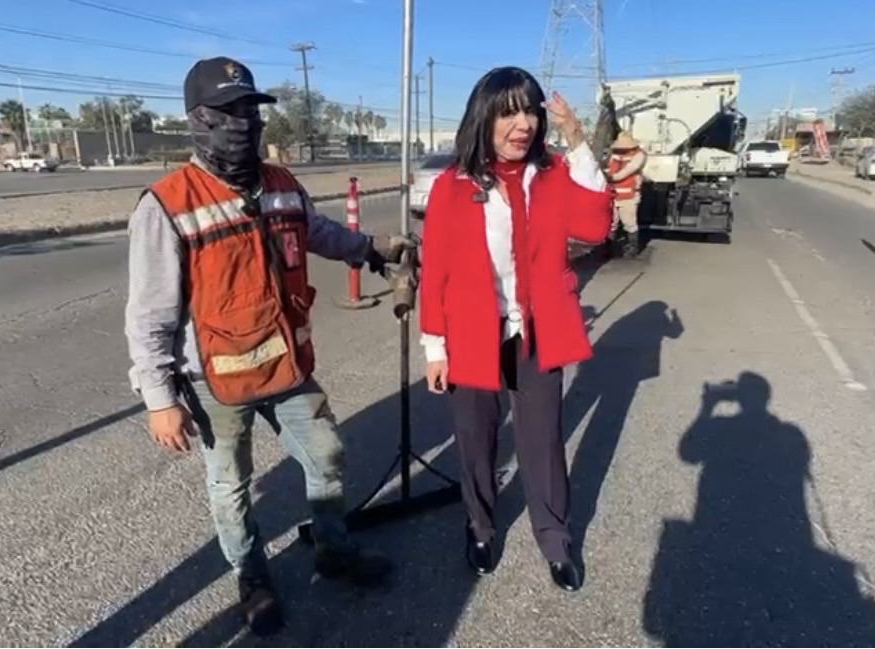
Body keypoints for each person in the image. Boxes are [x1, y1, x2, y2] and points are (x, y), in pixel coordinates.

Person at [124, 56, 410, 636]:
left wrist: (371, 249)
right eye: (230, 111)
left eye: (251, 110)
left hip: (286, 365)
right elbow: (149, 314)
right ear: (198, 120)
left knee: (326, 453)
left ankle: (332, 550)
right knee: (230, 486)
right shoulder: (167, 205)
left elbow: (317, 232)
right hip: (214, 381)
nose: (245, 123)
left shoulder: (280, 184)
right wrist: (158, 397)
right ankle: (252, 576)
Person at [417, 66, 611, 592]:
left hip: (536, 330)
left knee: (543, 440)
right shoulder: (450, 186)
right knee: (476, 439)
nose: (523, 123)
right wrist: (435, 347)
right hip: (471, 333)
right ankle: (480, 526)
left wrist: (576, 141)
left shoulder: (550, 174)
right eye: (509, 112)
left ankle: (555, 538)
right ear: (485, 117)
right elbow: (434, 270)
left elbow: (595, 227)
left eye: (530, 111)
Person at [606, 130, 647, 258]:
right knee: (611, 222)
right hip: (613, 194)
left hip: (629, 194)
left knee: (629, 222)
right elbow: (609, 167)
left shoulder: (639, 155)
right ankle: (608, 247)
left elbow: (628, 170)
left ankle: (633, 247)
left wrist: (610, 177)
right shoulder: (614, 154)